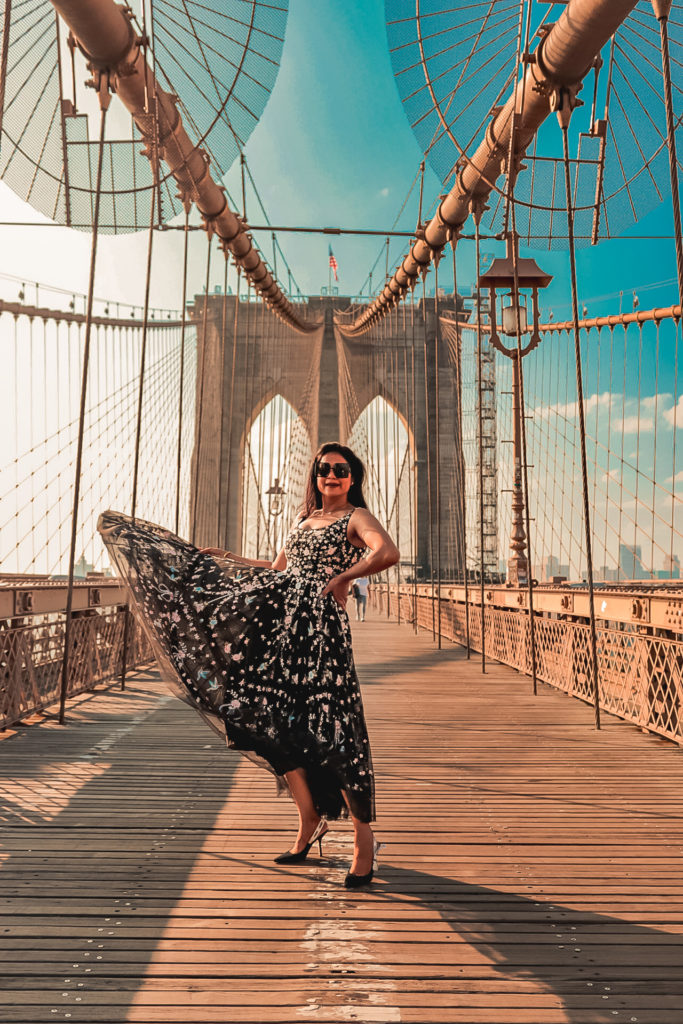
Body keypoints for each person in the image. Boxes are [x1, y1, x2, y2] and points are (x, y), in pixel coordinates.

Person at [97, 441, 399, 888]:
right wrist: (227, 559)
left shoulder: (355, 517)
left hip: (321, 635)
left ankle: (363, 838)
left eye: (339, 469)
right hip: (280, 632)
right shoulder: (303, 520)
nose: (330, 476)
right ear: (315, 476)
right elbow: (277, 569)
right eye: (323, 470)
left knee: (334, 729)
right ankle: (309, 818)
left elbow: (386, 552)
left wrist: (342, 576)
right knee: (264, 722)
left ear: (352, 476)